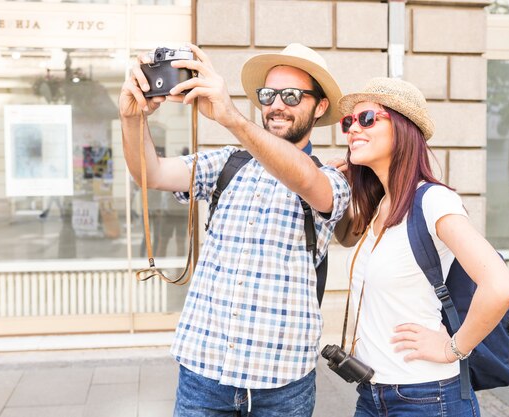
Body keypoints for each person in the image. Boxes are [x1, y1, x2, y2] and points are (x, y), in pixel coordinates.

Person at [119, 43, 350, 417]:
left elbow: (306, 181)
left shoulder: (332, 179)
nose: (277, 105)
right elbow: (153, 172)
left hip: (283, 380)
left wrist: (232, 118)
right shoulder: (228, 162)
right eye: (268, 95)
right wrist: (131, 117)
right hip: (204, 371)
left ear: (320, 107)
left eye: (292, 95)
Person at [330, 77, 509, 417]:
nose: (352, 129)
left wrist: (452, 349)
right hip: (371, 393)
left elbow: (500, 286)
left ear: (402, 128)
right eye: (348, 122)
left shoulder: (432, 200)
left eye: (367, 118)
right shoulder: (378, 207)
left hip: (427, 397)